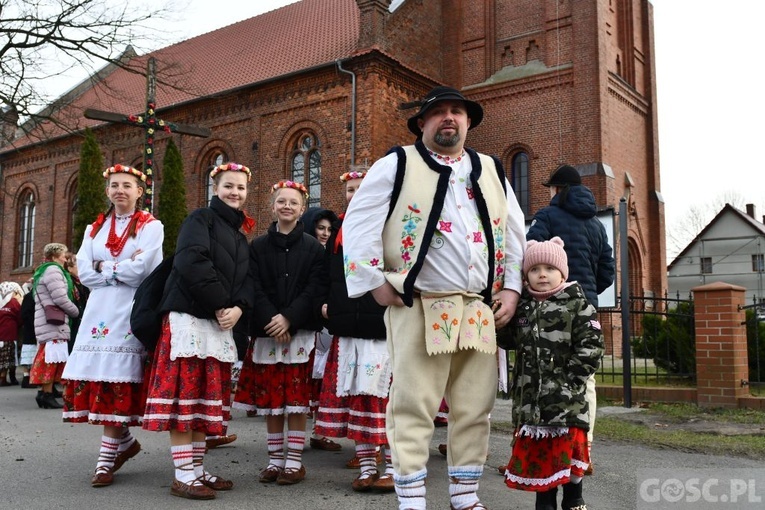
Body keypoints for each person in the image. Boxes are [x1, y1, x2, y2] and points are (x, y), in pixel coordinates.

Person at [342, 85, 526, 510]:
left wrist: (513, 289)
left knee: (474, 406)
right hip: (418, 303)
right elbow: (359, 221)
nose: (449, 118)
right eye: (438, 112)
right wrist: (373, 280)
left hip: (479, 307)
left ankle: (465, 497)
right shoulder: (398, 163)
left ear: (468, 122)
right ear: (421, 122)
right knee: (413, 404)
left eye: (457, 112)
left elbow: (516, 233)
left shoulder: (491, 169)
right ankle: (411, 499)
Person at [143, 162, 253, 500]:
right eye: (228, 186)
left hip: (217, 322)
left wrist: (239, 307)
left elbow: (247, 280)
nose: (235, 192)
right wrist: (222, 303)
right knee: (185, 398)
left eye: (241, 188)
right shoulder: (199, 219)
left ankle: (198, 469)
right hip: (189, 317)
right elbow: (191, 260)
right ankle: (183, 474)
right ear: (214, 188)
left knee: (206, 397)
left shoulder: (239, 234)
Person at [61, 164, 164, 488]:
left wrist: (103, 266)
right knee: (104, 380)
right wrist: (118, 267)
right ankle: (125, 444)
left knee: (119, 380)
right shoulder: (95, 228)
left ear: (139, 191)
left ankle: (106, 460)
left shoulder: (151, 226)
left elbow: (144, 269)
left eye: (127, 185)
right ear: (108, 191)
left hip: (130, 309)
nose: (120, 190)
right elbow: (84, 272)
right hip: (99, 310)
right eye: (115, 185)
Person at [234, 179, 328, 486]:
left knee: (296, 400)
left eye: (293, 202)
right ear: (273, 206)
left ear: (302, 209)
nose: (287, 206)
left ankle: (294, 461)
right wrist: (272, 318)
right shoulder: (258, 246)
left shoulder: (314, 247)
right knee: (273, 399)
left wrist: (289, 318)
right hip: (267, 331)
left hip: (298, 331)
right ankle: (275, 459)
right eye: (281, 201)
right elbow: (254, 285)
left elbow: (315, 288)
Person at [501, 237, 603, 510]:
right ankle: (544, 502)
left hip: (566, 402)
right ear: (526, 275)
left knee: (566, 454)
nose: (542, 274)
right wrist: (500, 319)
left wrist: (572, 381)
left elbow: (591, 347)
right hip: (531, 403)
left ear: (562, 273)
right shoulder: (522, 308)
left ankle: (574, 498)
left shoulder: (577, 305)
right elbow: (508, 341)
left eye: (549, 268)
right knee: (541, 460)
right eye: (534, 269)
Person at [525, 163, 615, 475]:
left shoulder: (547, 216)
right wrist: (585, 291)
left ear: (557, 188)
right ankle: (583, 451)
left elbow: (532, 252)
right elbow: (607, 271)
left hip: (549, 308)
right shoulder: (596, 225)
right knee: (583, 379)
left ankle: (541, 450)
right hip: (585, 306)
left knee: (542, 377)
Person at [314, 169, 395, 493]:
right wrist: (324, 302)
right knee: (359, 402)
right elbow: (327, 275)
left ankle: (392, 467)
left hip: (382, 328)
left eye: (361, 188)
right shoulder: (339, 231)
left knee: (390, 405)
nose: (355, 193)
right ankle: (365, 467)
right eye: (350, 189)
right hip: (348, 328)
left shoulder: (390, 224)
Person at [299, 206, 343, 454]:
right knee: (308, 380)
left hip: (328, 322)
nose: (325, 233)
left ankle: (320, 431)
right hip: (308, 320)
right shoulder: (305, 251)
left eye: (329, 229)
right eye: (320, 228)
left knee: (324, 381)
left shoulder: (333, 251)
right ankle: (296, 434)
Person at [31, 243, 80, 409]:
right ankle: (46, 394)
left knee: (52, 358)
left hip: (50, 322)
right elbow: (59, 297)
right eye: (63, 253)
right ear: (54, 256)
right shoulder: (53, 270)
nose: (65, 256)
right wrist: (76, 311)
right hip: (53, 323)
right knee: (51, 359)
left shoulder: (47, 270)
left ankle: (46, 392)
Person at [0, 282, 24, 386]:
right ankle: (4, 378)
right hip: (9, 334)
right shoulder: (13, 302)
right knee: (9, 357)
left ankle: (2, 377)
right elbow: (20, 317)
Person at [19, 280, 38, 388]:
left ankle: (30, 376)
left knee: (32, 353)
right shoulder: (29, 297)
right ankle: (26, 377)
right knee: (29, 352)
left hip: (33, 327)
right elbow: (25, 314)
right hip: (30, 328)